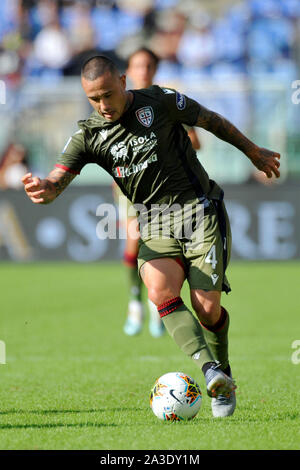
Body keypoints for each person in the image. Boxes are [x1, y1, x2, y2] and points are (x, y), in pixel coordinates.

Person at [22, 56, 280, 417]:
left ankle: (223, 369)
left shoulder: (159, 101)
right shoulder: (89, 134)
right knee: (160, 291)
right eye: (93, 98)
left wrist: (253, 151)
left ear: (123, 81)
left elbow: (212, 121)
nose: (103, 105)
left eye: (108, 95)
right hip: (154, 221)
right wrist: (45, 187)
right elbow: (57, 178)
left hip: (199, 210)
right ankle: (212, 374)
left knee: (208, 310)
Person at [118, 47, 201, 338]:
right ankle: (134, 304)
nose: (143, 70)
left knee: (160, 245)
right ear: (128, 70)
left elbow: (196, 140)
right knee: (132, 242)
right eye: (137, 65)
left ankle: (157, 303)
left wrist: (170, 137)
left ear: (154, 69)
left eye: (148, 65)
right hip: (131, 188)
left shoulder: (166, 99)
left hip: (165, 188)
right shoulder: (118, 103)